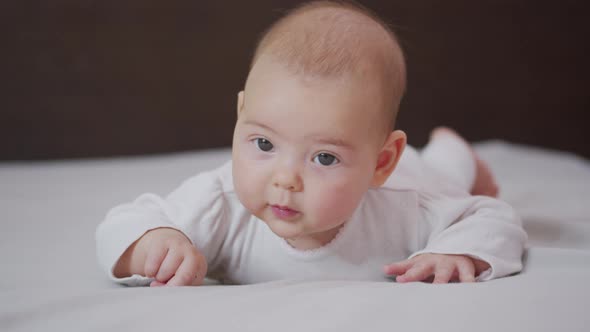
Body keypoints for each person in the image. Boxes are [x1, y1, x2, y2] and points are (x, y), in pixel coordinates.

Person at [96, 0, 527, 287]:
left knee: (445, 171)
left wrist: (454, 252)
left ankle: (453, 148)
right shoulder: (219, 202)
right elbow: (122, 222)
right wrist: (155, 241)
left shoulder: (406, 204)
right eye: (263, 144)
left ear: (381, 161)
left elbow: (494, 219)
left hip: (419, 171)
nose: (285, 179)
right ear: (241, 114)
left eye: (324, 157)